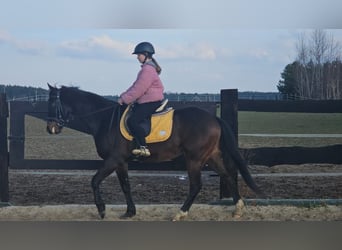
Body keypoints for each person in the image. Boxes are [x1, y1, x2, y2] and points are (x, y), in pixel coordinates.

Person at [118, 42, 164, 157]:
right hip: (147, 100)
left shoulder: (147, 70)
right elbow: (135, 86)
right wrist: (124, 95)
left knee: (132, 121)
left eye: (139, 55)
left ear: (146, 54)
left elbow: (139, 89)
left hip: (151, 101)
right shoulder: (147, 69)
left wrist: (124, 99)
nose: (137, 57)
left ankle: (143, 147)